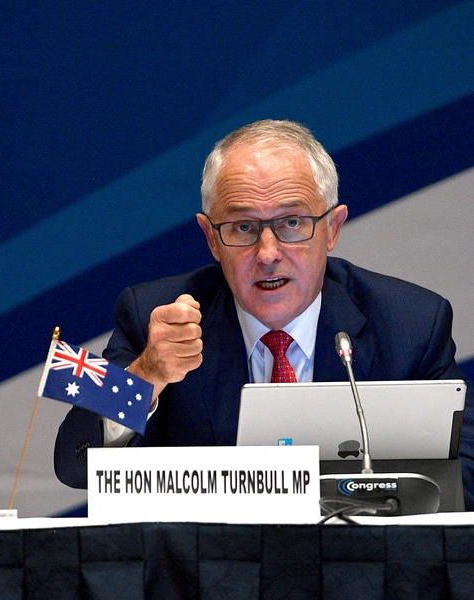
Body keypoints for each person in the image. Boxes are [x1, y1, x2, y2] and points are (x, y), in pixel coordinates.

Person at [54, 119, 474, 509]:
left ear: (332, 229)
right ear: (211, 238)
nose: (268, 254)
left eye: (292, 223)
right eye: (242, 228)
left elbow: (465, 473)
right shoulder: (154, 318)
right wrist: (145, 376)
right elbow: (73, 464)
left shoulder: (411, 323)